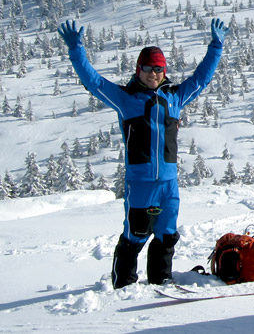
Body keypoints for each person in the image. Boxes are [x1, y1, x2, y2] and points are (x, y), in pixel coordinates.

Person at [58, 17, 229, 289]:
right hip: (140, 182)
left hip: (169, 183)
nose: (153, 73)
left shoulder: (175, 97)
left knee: (166, 235)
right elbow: (94, 83)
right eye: (148, 68)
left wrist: (216, 47)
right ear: (138, 70)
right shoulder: (126, 99)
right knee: (135, 235)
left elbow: (201, 79)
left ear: (164, 71)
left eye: (158, 68)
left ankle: (160, 281)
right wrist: (76, 50)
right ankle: (122, 286)